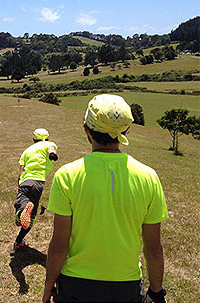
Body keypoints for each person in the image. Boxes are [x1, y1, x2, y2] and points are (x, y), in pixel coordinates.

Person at [42, 94, 168, 303]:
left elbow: (59, 245)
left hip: (75, 285)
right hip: (125, 287)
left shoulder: (67, 176)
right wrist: (156, 291)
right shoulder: (149, 177)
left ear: (86, 128)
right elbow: (153, 248)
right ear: (126, 130)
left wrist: (48, 285)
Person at [13, 128, 58, 251]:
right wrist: (52, 155)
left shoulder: (27, 151)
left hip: (26, 181)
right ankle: (19, 241)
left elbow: (21, 171)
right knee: (31, 215)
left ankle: (19, 216)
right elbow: (51, 149)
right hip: (39, 184)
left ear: (33, 139)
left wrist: (19, 184)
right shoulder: (48, 144)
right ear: (47, 138)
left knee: (21, 202)